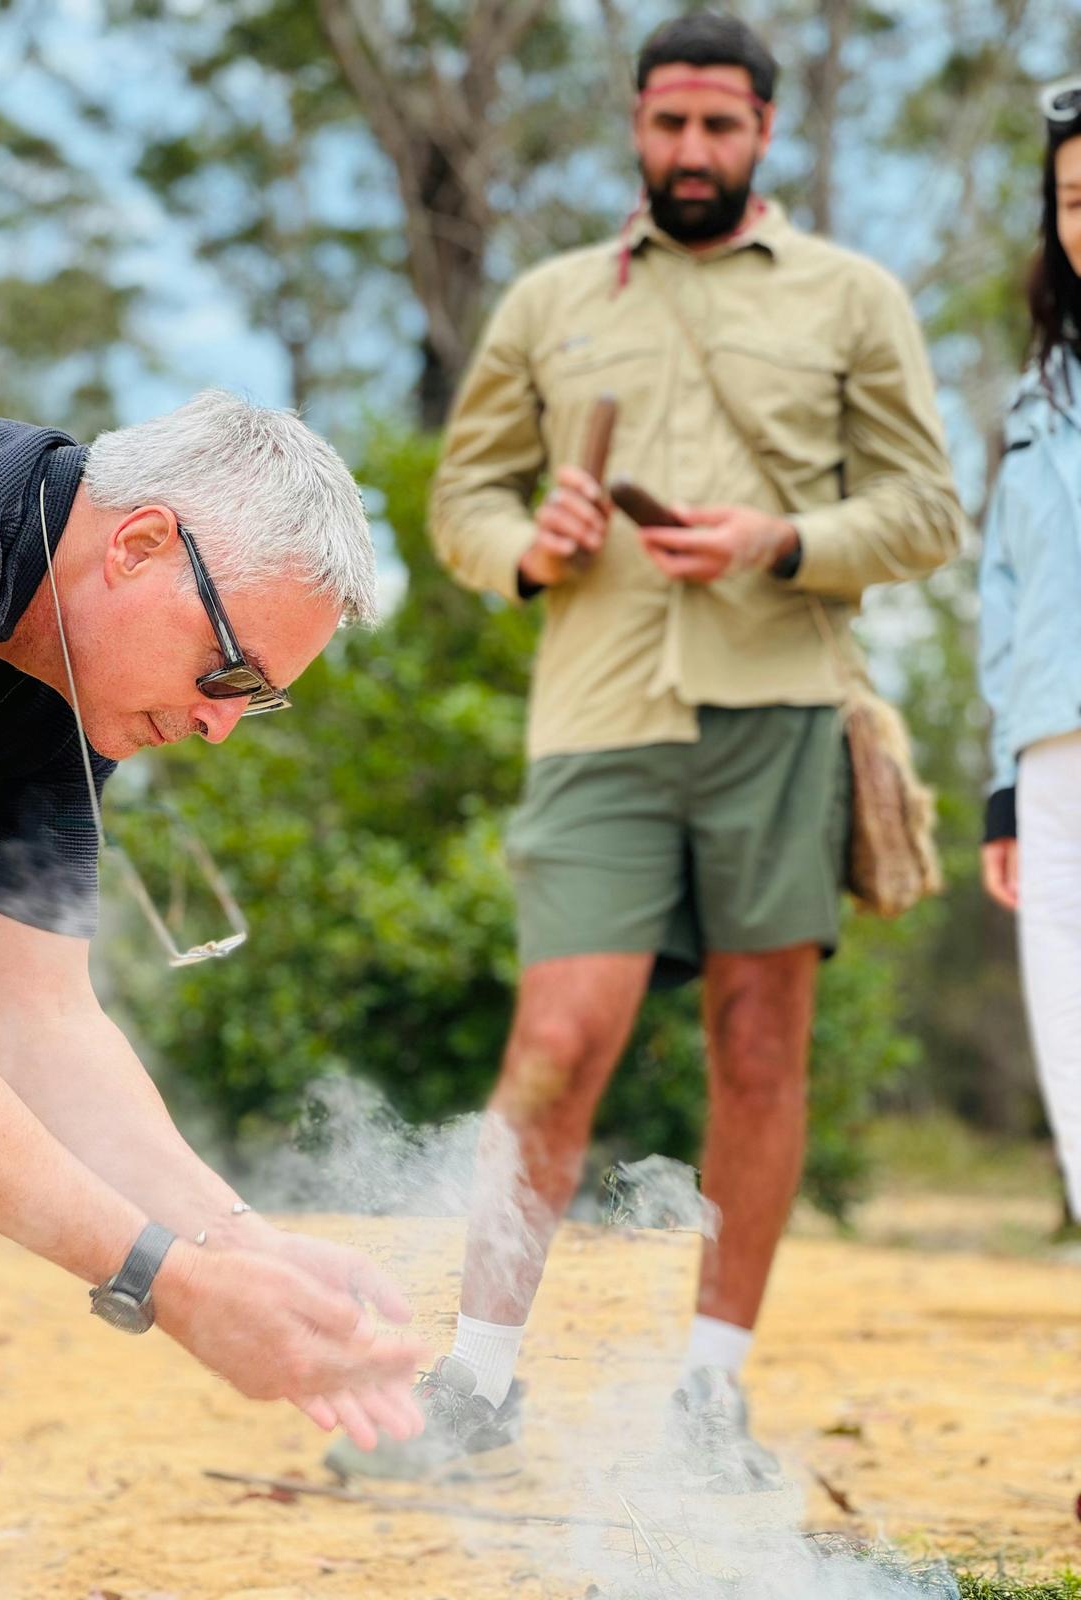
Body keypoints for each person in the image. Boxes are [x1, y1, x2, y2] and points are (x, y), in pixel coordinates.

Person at [328, 11, 964, 1482]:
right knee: (554, 1047)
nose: (691, 149)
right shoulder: (549, 303)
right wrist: (529, 545)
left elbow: (926, 509)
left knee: (760, 1049)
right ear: (635, 124)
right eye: (668, 123)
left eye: (720, 125)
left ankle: (709, 1403)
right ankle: (478, 1385)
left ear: (764, 132)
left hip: (782, 715)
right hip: (597, 724)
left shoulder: (854, 297)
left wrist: (781, 539)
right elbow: (462, 502)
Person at [0, 374, 425, 1452]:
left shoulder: (60, 657)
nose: (222, 727)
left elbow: (39, 1021)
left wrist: (237, 1243)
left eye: (258, 697)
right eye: (230, 672)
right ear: (140, 545)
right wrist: (164, 1281)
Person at [979, 78, 1081, 1228]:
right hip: (1054, 759)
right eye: (1076, 198)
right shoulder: (1035, 395)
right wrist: (1006, 783)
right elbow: (1003, 594)